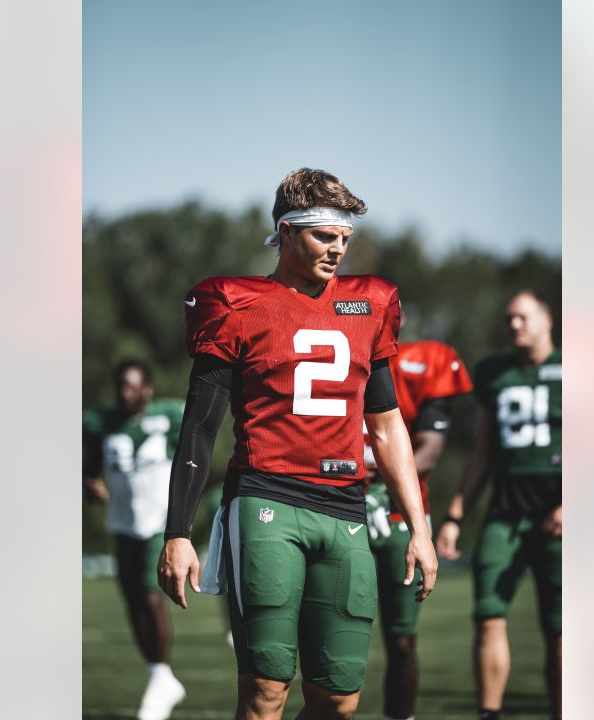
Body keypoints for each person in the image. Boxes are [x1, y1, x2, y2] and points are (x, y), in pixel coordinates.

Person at [158, 168, 438, 720]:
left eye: (344, 239)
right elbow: (199, 427)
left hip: (346, 506)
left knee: (339, 700)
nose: (337, 250)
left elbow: (386, 426)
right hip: (267, 497)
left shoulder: (371, 304)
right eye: (323, 236)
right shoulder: (236, 303)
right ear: (285, 232)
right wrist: (177, 533)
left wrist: (420, 529)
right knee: (266, 694)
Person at [437, 291, 562, 720]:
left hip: (558, 514)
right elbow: (481, 454)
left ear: (547, 320)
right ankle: (489, 714)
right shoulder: (494, 373)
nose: (514, 325)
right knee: (488, 614)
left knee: (561, 629)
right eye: (509, 318)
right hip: (506, 512)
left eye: (523, 317)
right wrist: (455, 515)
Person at [362, 340, 472, 720]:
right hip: (333, 508)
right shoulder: (315, 340)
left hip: (398, 517)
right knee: (328, 638)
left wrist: (382, 472)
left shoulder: (423, 361)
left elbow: (431, 447)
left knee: (402, 639)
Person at [83, 359, 187, 720]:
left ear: (148, 389)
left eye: (132, 386)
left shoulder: (170, 416)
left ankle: (160, 675)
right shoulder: (101, 423)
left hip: (156, 522)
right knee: (132, 601)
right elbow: (87, 462)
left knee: (149, 597)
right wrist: (88, 481)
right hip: (122, 523)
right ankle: (159, 674)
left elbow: (196, 447)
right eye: (120, 387)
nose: (125, 394)